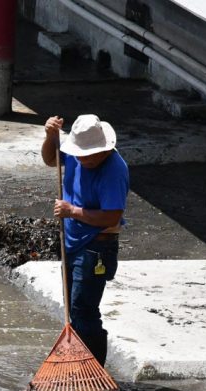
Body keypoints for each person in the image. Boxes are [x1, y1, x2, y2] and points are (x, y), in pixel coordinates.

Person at [41, 114, 129, 366]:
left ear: (105, 149)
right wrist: (50, 137)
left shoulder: (114, 170)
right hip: (71, 241)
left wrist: (72, 211)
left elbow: (112, 216)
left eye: (89, 156)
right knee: (73, 309)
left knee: (84, 310)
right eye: (79, 155)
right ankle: (79, 364)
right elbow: (51, 159)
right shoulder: (77, 154)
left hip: (96, 247)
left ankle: (93, 369)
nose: (83, 160)